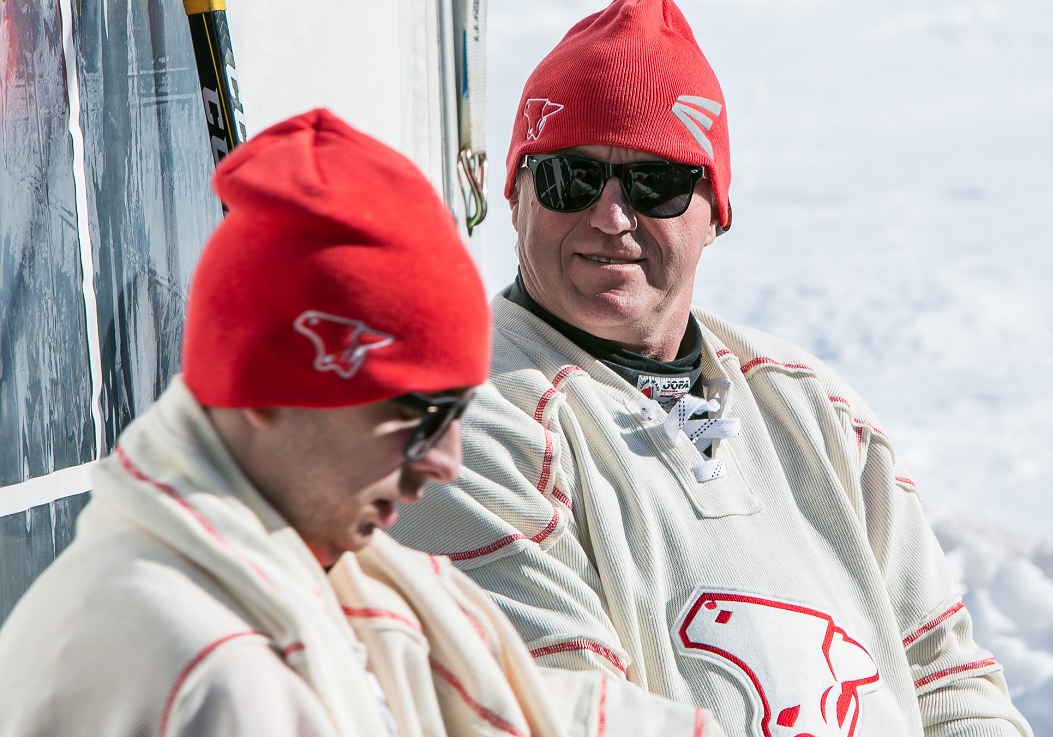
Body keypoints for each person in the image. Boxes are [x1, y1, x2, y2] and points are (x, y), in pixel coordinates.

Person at [389, 0, 1035, 737]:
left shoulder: (811, 407)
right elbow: (565, 713)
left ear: (716, 212)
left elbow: (949, 683)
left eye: (657, 184)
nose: (611, 216)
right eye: (571, 177)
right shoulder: (465, 420)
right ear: (515, 195)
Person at [0, 109, 725, 737]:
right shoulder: (218, 675)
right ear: (268, 396)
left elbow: (535, 707)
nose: (445, 460)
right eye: (418, 416)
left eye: (457, 412)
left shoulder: (334, 577)